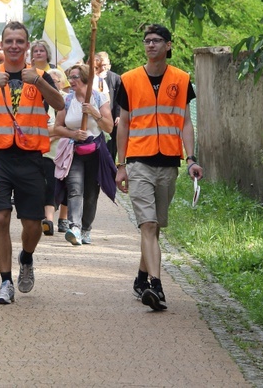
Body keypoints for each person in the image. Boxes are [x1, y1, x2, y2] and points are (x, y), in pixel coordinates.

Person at [0, 21, 65, 305]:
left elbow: (59, 104)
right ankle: (5, 281)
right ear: (1, 44)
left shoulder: (40, 75)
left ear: (27, 45)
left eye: (19, 41)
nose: (14, 46)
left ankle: (26, 257)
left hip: (31, 157)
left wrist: (38, 82)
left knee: (32, 224)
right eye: (9, 40)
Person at [115, 24, 203, 311]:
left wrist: (191, 159)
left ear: (167, 45)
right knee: (148, 224)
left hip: (168, 162)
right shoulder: (128, 80)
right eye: (147, 41)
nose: (151, 45)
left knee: (155, 227)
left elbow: (185, 122)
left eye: (157, 41)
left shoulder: (181, 79)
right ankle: (155, 284)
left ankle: (142, 276)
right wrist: (121, 165)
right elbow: (124, 124)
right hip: (139, 161)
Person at [53, 63, 115, 245]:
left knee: (90, 192)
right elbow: (57, 127)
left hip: (95, 151)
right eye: (70, 77)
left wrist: (94, 113)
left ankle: (86, 228)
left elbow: (109, 127)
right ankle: (75, 228)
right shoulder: (66, 100)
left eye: (74, 77)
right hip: (73, 151)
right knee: (74, 188)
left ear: (85, 78)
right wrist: (72, 134)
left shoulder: (99, 98)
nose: (71, 81)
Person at [47, 67, 70, 233]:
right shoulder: (41, 98)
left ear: (62, 84)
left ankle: (64, 218)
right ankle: (48, 220)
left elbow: (72, 125)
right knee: (49, 185)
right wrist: (58, 130)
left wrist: (54, 133)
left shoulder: (68, 100)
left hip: (67, 150)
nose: (52, 84)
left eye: (55, 81)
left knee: (68, 185)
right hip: (47, 152)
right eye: (49, 81)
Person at [94, 51, 122, 159]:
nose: (103, 68)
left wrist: (119, 115)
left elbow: (119, 99)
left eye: (105, 65)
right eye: (100, 66)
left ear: (109, 65)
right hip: (95, 115)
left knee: (111, 145)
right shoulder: (92, 79)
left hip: (111, 115)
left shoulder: (115, 78)